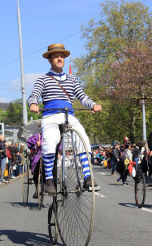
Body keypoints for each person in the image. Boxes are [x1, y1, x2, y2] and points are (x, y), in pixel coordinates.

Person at [28, 43, 102, 194]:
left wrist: (93, 105)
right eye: (56, 56)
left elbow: (82, 96)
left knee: (84, 141)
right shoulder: (43, 79)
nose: (59, 58)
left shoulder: (72, 79)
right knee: (49, 142)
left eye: (61, 56)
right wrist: (33, 103)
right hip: (51, 116)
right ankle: (49, 180)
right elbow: (34, 95)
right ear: (50, 60)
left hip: (69, 116)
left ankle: (88, 178)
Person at [27, 133, 43, 199]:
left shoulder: (51, 134)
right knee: (36, 171)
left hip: (49, 155)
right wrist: (36, 146)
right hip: (38, 155)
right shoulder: (37, 136)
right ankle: (36, 189)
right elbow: (29, 144)